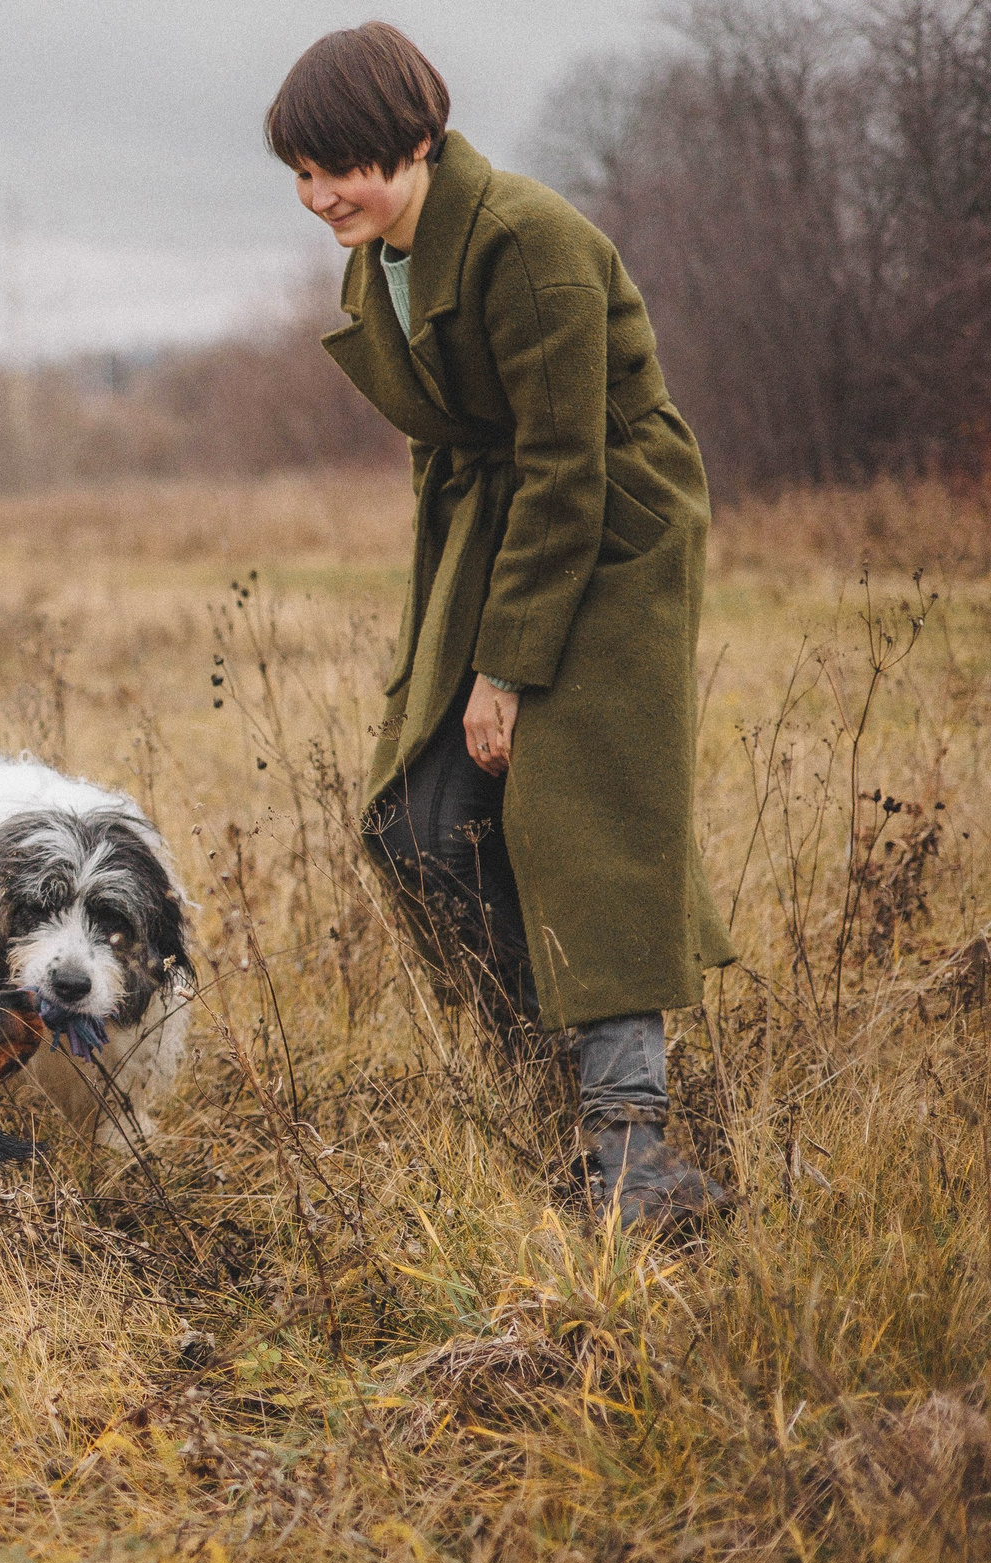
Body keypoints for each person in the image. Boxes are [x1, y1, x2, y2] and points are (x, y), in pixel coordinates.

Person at [265, 22, 732, 1230]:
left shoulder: (528, 242)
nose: (319, 197)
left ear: (415, 139)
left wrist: (505, 673)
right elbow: (459, 453)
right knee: (417, 823)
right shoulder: (379, 255)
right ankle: (549, 1085)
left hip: (610, 532)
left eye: (340, 168)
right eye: (301, 174)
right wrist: (446, 640)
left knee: (585, 824)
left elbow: (568, 470)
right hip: (497, 524)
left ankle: (632, 1152)